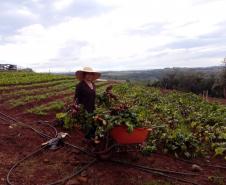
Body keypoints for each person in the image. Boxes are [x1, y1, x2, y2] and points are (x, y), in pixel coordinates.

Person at [74, 67, 101, 139]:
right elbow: (76, 98)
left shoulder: (93, 84)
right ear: (84, 75)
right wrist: (76, 108)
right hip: (85, 109)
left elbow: (93, 95)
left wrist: (96, 103)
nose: (89, 76)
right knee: (87, 125)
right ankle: (87, 140)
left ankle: (92, 138)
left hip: (93, 107)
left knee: (93, 124)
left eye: (91, 74)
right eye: (87, 74)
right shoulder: (80, 85)